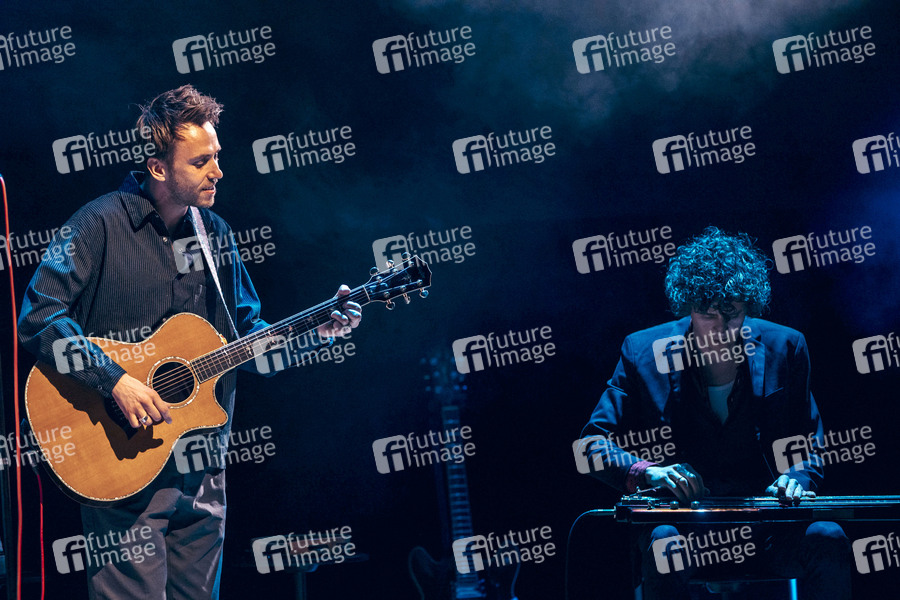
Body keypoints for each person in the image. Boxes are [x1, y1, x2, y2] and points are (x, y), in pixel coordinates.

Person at [18, 85, 361, 598]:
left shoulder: (216, 234)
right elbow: (39, 315)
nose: (217, 171)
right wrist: (115, 381)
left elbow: (250, 344)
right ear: (158, 168)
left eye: (217, 156)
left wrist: (316, 332)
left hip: (202, 472)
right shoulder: (97, 224)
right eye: (201, 161)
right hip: (121, 462)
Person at [579, 227, 851, 600]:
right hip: (684, 527)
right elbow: (590, 447)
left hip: (766, 528)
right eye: (708, 315)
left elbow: (810, 443)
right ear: (688, 307)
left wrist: (796, 478)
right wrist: (648, 472)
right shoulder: (643, 352)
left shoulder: (786, 346)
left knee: (828, 537)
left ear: (748, 306)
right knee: (664, 544)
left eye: (732, 313)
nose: (721, 329)